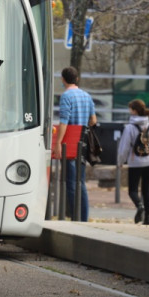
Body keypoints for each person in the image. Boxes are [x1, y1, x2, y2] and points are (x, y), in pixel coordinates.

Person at [53, 66, 97, 221]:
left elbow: (64, 122)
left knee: (71, 183)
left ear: (63, 79)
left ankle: (75, 217)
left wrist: (58, 143)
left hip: (69, 144)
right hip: (83, 144)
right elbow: (93, 120)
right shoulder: (87, 96)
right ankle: (83, 217)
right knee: (80, 182)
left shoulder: (66, 96)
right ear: (77, 79)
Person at [117, 99, 149, 225]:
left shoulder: (129, 128)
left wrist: (120, 161)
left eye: (130, 109)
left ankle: (140, 206)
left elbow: (124, 147)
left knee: (133, 191)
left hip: (135, 163)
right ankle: (147, 219)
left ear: (134, 111)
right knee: (146, 191)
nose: (129, 111)